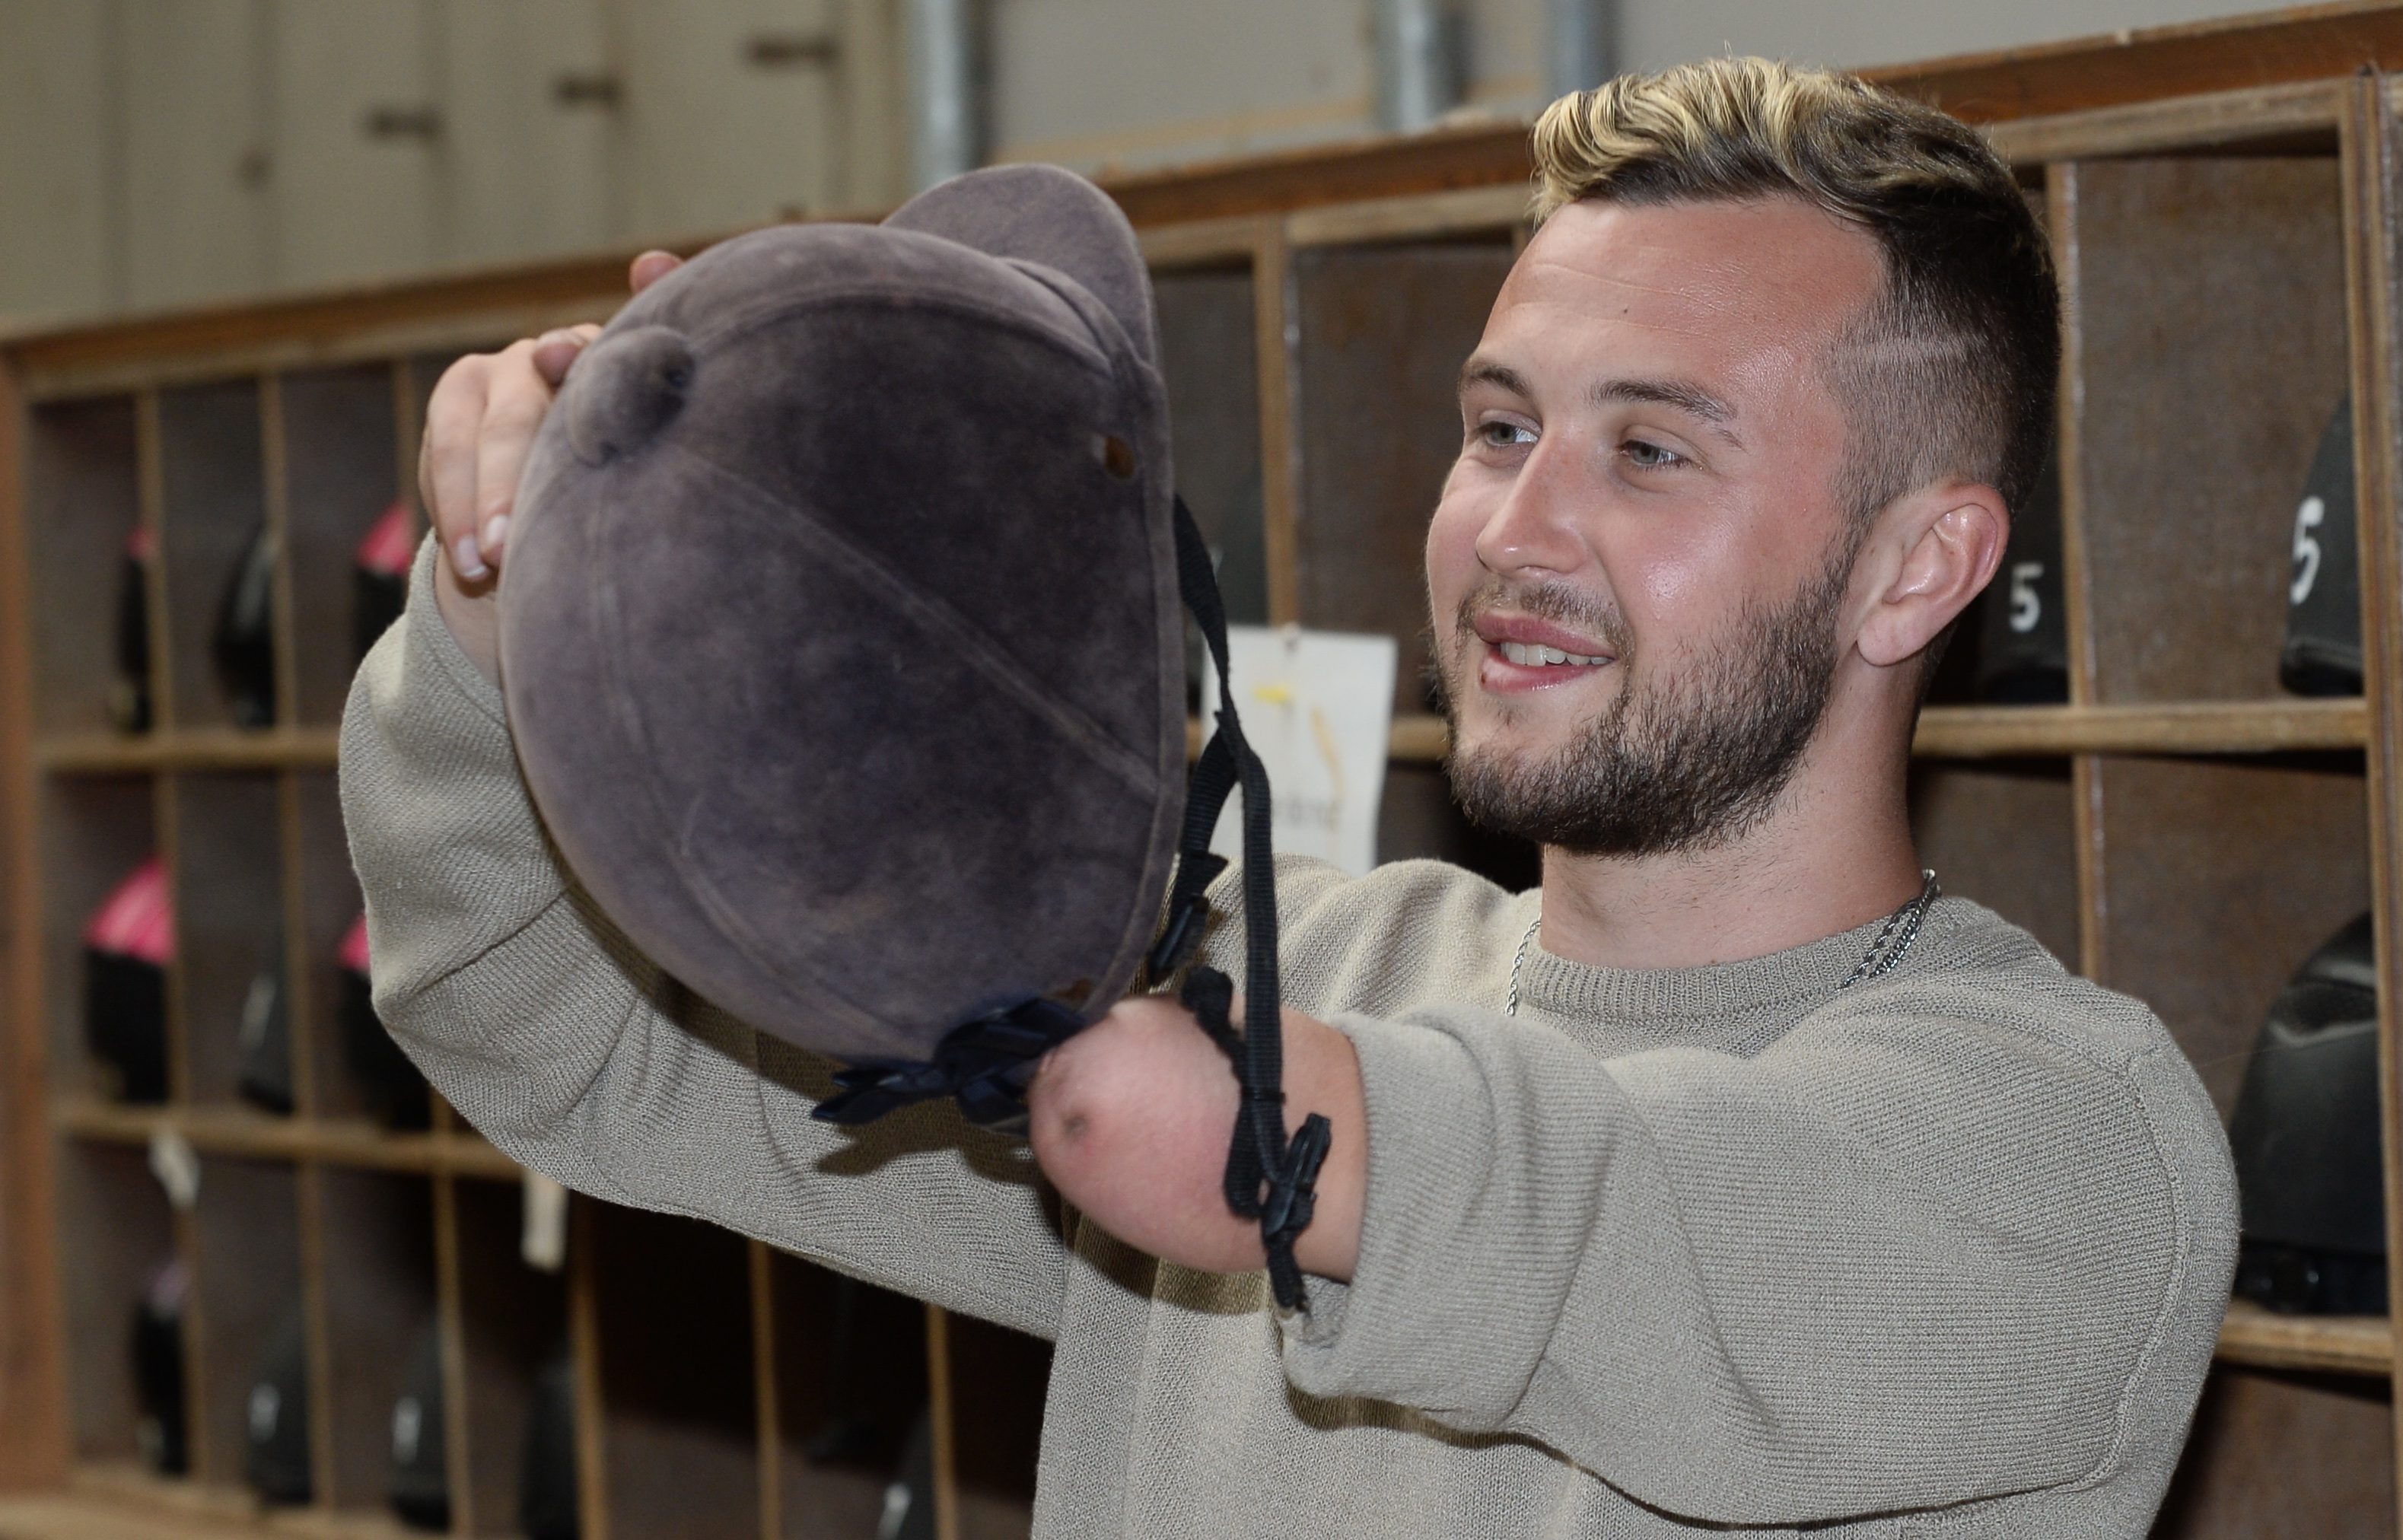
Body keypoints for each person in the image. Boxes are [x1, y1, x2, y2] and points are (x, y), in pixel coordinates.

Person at [350, 57, 2233, 1537]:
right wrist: (512, 589)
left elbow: (1605, 1212)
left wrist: (1232, 1102)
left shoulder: (2062, 1152)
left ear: (1920, 569)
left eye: (1651, 449)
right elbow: (549, 1014)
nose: (1513, 528)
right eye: (1500, 427)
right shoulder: (1265, 971)